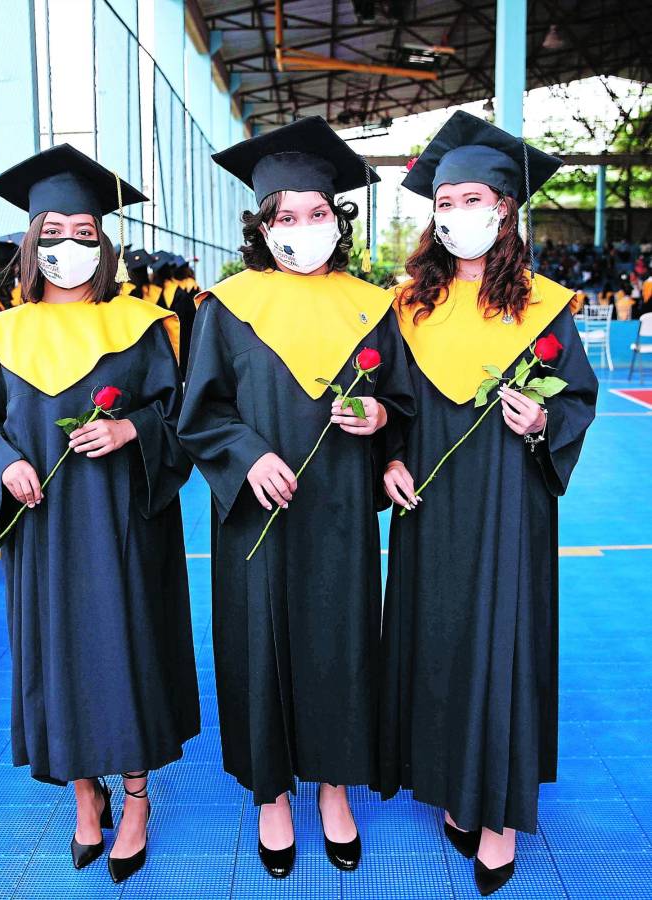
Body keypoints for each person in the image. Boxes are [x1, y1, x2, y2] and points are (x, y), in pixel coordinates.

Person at [178, 116, 415, 880]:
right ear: (262, 224)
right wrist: (246, 456)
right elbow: (201, 413)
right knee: (260, 643)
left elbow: (403, 405)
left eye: (317, 213)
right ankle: (272, 795)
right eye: (286, 215)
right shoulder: (225, 305)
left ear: (338, 221)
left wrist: (380, 419)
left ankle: (335, 788)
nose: (302, 228)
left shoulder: (372, 306)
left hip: (341, 508)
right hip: (258, 512)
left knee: (340, 643)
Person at [0, 144, 199, 884]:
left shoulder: (142, 326)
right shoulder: (1, 335)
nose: (69, 245)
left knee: (126, 651)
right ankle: (83, 795)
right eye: (53, 231)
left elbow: (180, 419)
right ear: (32, 242)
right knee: (59, 657)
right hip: (47, 530)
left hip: (126, 524)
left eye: (84, 232)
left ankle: (134, 799)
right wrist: (8, 464)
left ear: (103, 241)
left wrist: (132, 431)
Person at [377, 111, 598, 896]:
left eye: (471, 198)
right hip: (430, 512)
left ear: (504, 207)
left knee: (504, 643)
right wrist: (390, 462)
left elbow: (576, 398)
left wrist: (544, 420)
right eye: (444, 202)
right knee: (439, 640)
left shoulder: (543, 308)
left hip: (510, 506)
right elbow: (390, 406)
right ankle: (452, 786)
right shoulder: (409, 307)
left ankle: (500, 811)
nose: (455, 214)